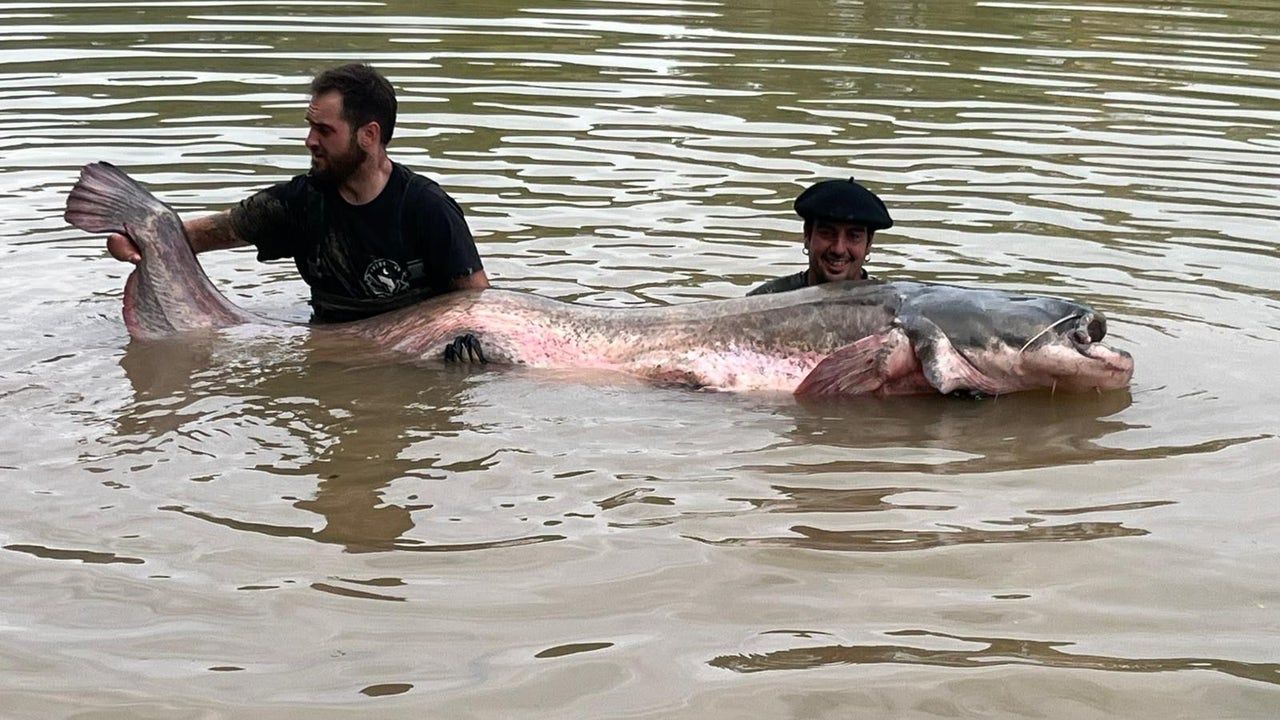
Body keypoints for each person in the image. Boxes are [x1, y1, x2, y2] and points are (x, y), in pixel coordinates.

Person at [106, 63, 489, 324]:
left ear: (368, 135)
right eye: (310, 127)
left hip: (411, 355)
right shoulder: (297, 204)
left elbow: (480, 307)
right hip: (328, 345)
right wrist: (136, 239)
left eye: (324, 130)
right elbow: (194, 237)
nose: (309, 141)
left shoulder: (427, 209)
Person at [746, 177, 893, 296]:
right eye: (827, 233)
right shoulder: (765, 300)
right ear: (807, 235)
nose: (839, 249)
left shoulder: (890, 307)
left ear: (868, 244)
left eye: (853, 236)